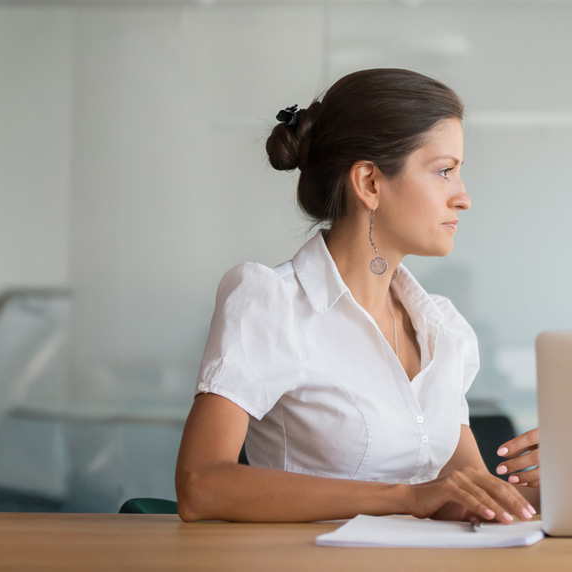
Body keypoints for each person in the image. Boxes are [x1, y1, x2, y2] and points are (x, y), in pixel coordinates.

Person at [174, 69, 534, 524]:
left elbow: (466, 499)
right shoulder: (273, 303)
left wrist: (555, 487)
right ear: (368, 183)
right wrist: (403, 498)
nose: (463, 197)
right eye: (445, 171)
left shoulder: (444, 328)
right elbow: (201, 485)